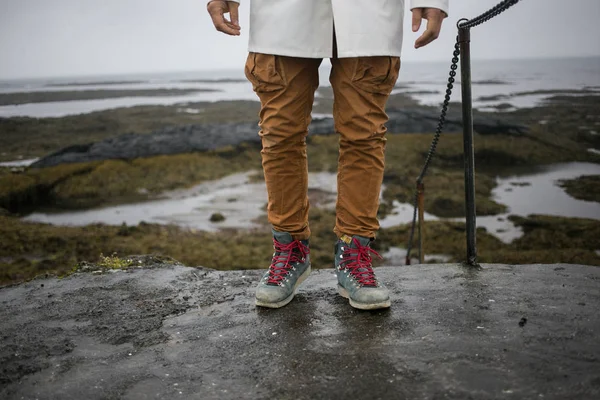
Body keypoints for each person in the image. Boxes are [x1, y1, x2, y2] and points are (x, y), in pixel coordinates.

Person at [207, 0, 448, 310]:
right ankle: (290, 250)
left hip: (369, 13)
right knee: (280, 133)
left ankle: (354, 255)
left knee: (365, 134)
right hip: (282, 12)